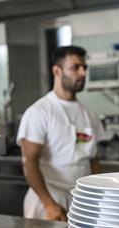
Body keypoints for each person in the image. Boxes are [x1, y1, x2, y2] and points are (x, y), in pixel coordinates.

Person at [17, 45, 106, 221]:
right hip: (47, 200)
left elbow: (94, 161)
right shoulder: (39, 112)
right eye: (75, 67)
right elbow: (29, 163)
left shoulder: (89, 115)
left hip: (81, 200)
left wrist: (95, 196)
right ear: (57, 71)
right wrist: (49, 204)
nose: (83, 73)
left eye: (84, 67)